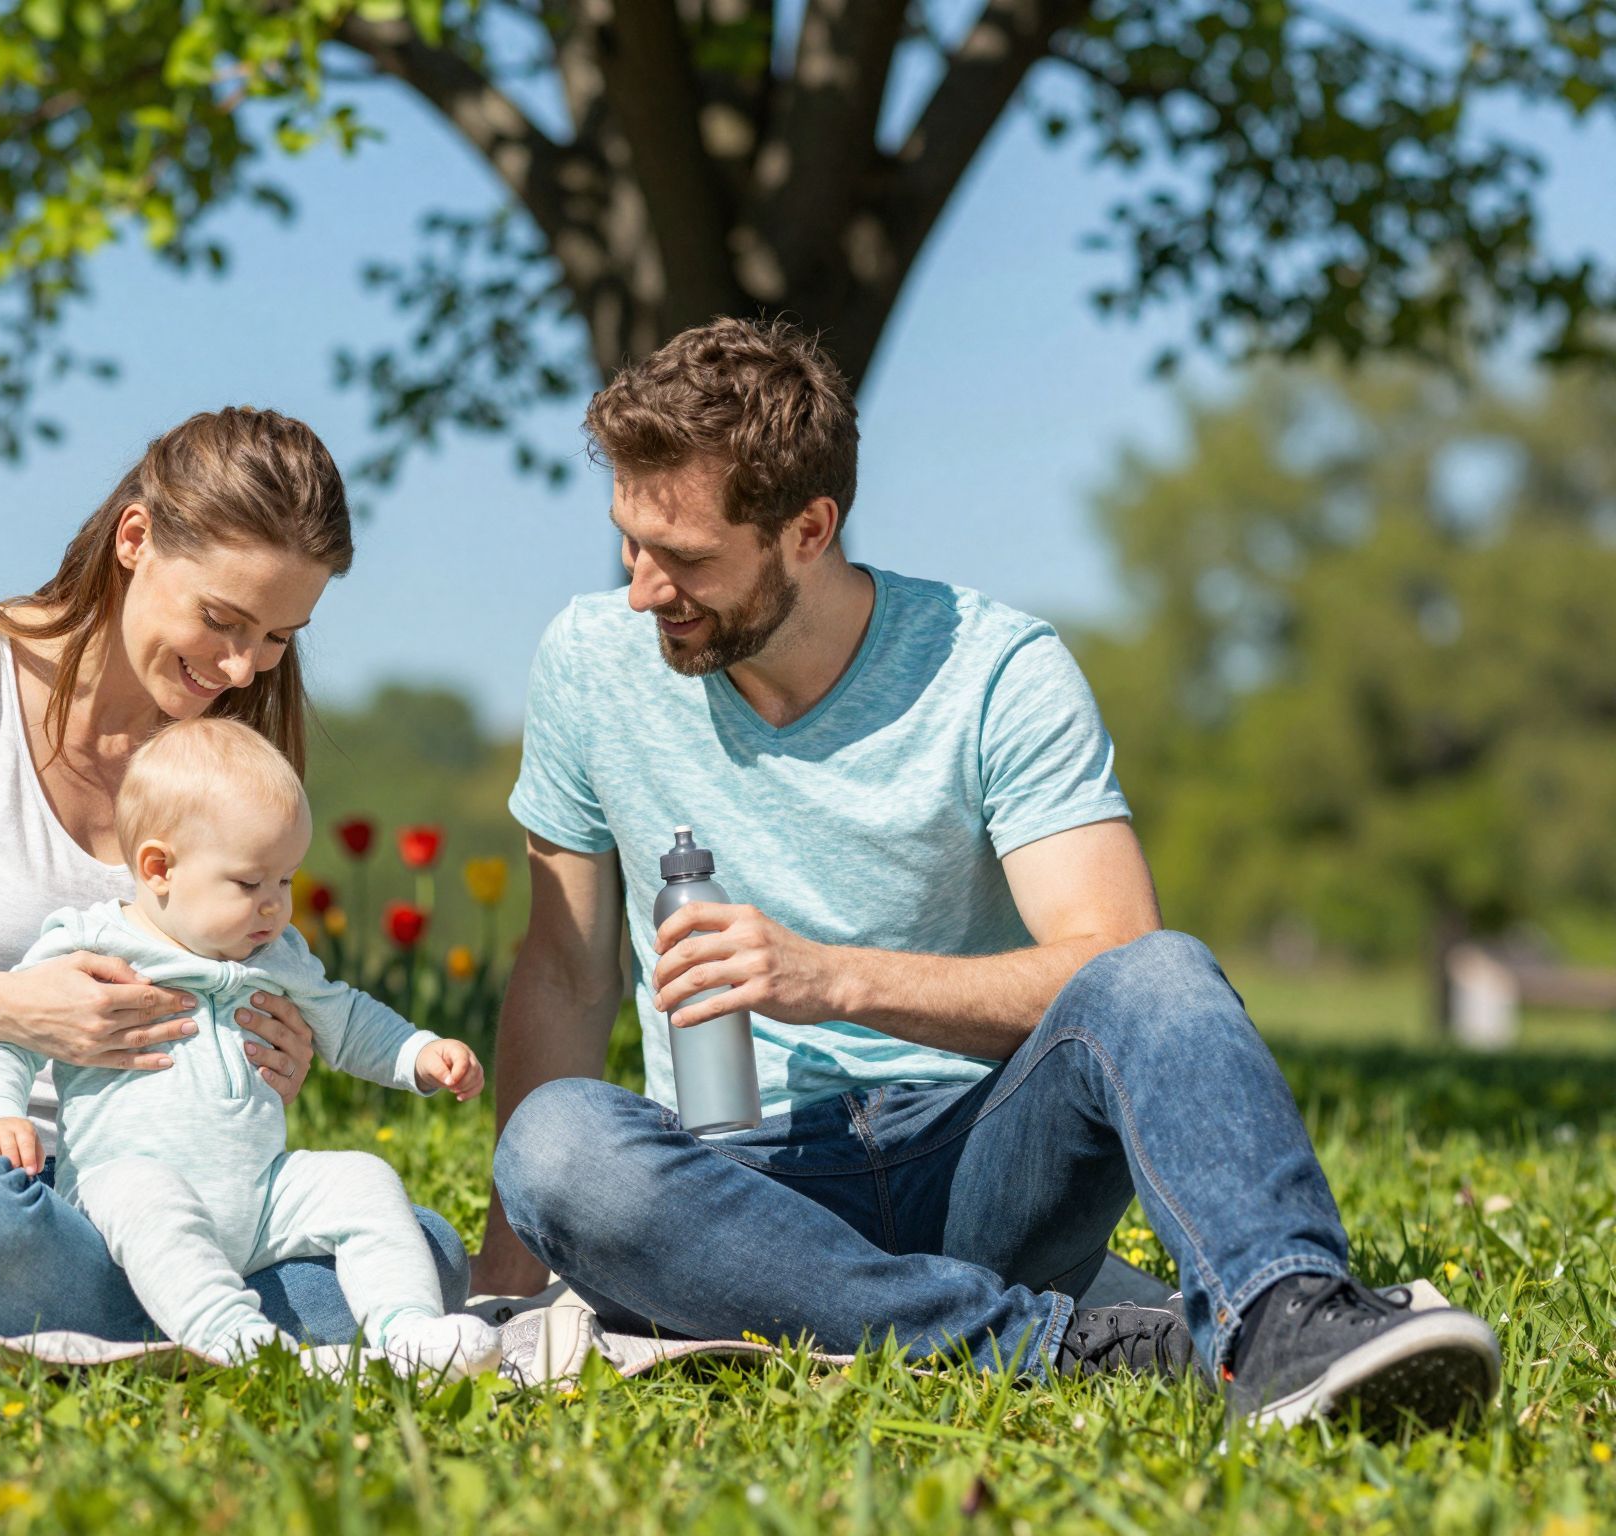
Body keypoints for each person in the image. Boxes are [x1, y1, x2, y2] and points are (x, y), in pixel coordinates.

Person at [473, 318, 1501, 1430]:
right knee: (557, 1143)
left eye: (683, 559)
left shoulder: (994, 670)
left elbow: (1103, 965)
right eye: (629, 542)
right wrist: (500, 1293)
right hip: (734, 1192)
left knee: (1158, 972)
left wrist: (828, 979)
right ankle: (1072, 1350)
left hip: (974, 1166)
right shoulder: (587, 664)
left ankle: (1286, 1320)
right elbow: (566, 976)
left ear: (807, 529)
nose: (641, 590)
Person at [0, 406, 470, 1342]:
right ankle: (213, 1322)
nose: (242, 666)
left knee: (425, 1247)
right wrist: (12, 1011)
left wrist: (270, 1053)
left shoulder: (221, 753)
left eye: (279, 637)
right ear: (135, 537)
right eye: (222, 619)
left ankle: (171, 1316)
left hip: (166, 1201)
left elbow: (248, 972)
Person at [0, 717, 499, 1374]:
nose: (275, 907)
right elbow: (5, 1032)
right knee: (144, 1191)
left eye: (286, 882)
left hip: (259, 1193)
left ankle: (407, 1331)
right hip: (117, 1204)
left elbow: (347, 1021)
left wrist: (417, 1052)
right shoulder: (90, 946)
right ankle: (245, 1345)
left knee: (364, 1178)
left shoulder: (278, 956)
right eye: (249, 884)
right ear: (159, 868)